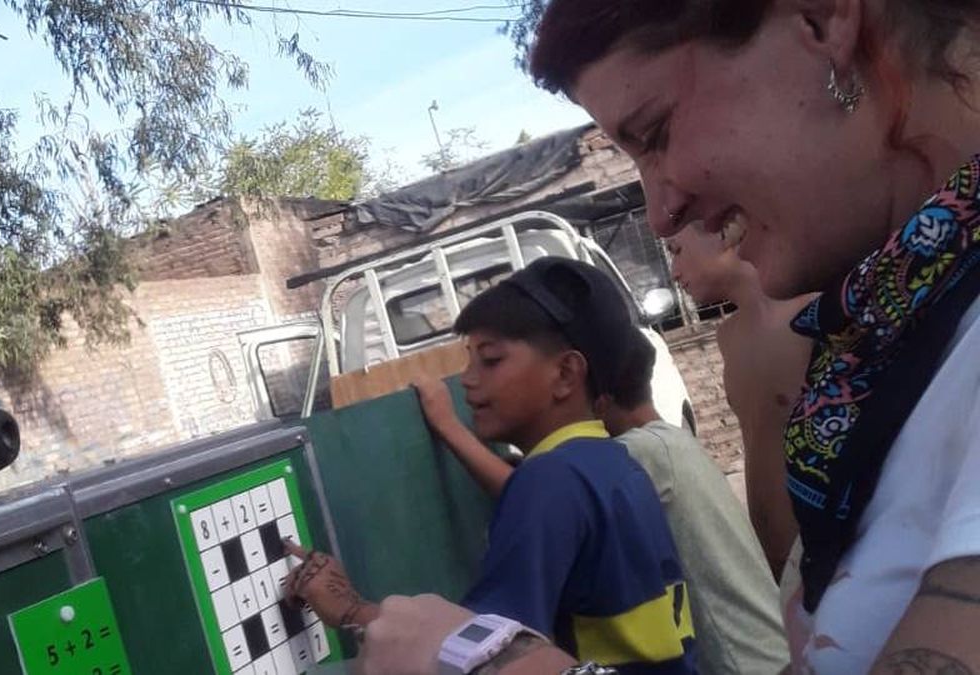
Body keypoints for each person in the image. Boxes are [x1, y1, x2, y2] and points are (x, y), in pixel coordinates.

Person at [355, 1, 980, 673]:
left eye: (655, 133)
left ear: (823, 20)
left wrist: (482, 660)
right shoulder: (890, 342)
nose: (661, 213)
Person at [288, 257, 698, 673]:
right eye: (469, 360)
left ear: (565, 374)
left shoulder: (548, 480)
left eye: (490, 360)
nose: (466, 378)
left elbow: (476, 649)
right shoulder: (612, 463)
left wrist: (350, 609)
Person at [414, 327, 789, 675]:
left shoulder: (634, 454)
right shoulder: (670, 441)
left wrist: (449, 426)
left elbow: (541, 494)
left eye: (493, 360)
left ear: (592, 396)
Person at [667, 222, 815, 579]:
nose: (673, 272)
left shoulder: (811, 313)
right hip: (779, 563)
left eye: (677, 250)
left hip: (829, 546)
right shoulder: (728, 336)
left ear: (723, 234)